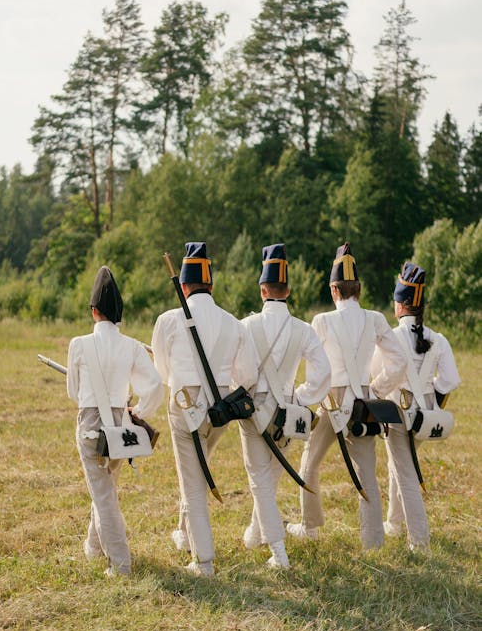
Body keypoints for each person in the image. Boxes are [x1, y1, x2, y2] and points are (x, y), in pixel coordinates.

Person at [286, 242, 407, 550]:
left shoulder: (322, 320)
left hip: (331, 401)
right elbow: (399, 361)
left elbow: (316, 367)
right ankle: (373, 540)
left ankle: (310, 526)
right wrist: (376, 389)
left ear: (334, 290)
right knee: (367, 473)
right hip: (363, 400)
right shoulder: (376, 318)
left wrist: (303, 395)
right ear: (359, 289)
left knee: (309, 464)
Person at [151, 242, 257, 577]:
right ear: (210, 284)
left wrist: (182, 381)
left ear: (183, 285)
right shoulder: (232, 322)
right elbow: (249, 375)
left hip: (184, 405)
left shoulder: (169, 319)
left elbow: (162, 371)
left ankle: (203, 561)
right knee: (197, 472)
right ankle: (185, 535)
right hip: (221, 409)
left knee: (192, 482)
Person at [239, 244, 331, 568]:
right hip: (288, 415)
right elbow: (324, 375)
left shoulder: (247, 326)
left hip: (255, 413)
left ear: (263, 289)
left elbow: (240, 372)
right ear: (288, 290)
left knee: (259, 479)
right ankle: (254, 533)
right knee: (271, 477)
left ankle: (278, 552)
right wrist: (300, 398)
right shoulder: (303, 330)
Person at [67, 266, 163, 577]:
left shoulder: (78, 344)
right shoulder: (133, 346)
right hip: (122, 425)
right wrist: (140, 412)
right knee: (105, 489)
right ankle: (93, 548)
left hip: (91, 422)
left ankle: (120, 563)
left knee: (103, 494)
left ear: (93, 310)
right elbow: (154, 388)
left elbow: (72, 391)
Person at [372, 261, 460, 551]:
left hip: (398, 416)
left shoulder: (391, 337)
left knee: (406, 475)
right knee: (399, 467)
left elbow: (376, 377)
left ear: (401, 304)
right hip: (425, 418)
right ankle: (395, 523)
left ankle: (419, 541)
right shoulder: (439, 339)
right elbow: (448, 381)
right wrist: (427, 404)